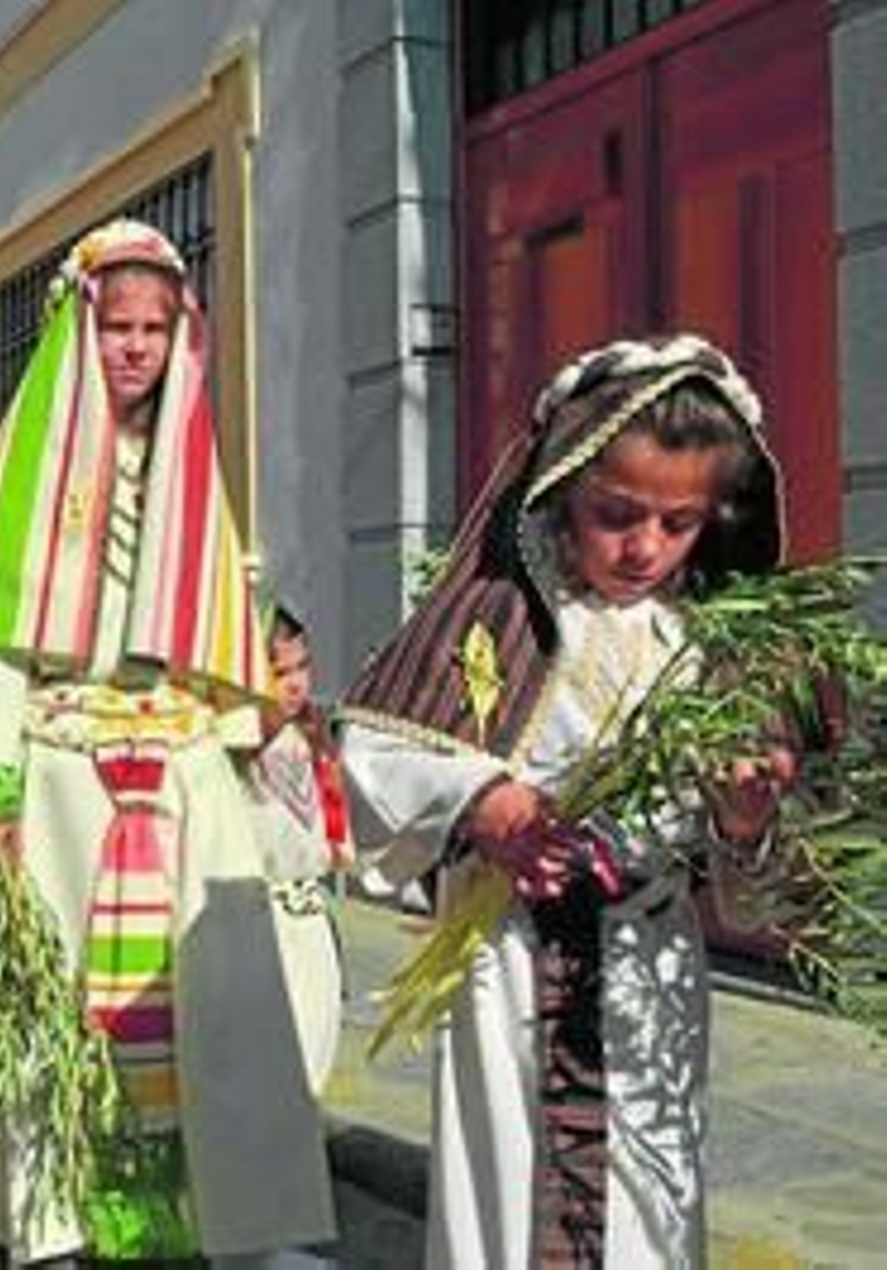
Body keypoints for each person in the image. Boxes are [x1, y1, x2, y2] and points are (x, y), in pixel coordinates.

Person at [0, 219, 335, 1263]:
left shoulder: (193, 470)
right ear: (81, 327)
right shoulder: (23, 477)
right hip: (65, 776)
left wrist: (251, 725)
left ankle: (244, 1215)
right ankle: (55, 1216)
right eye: (117, 326)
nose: (136, 347)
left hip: (185, 774)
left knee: (226, 999)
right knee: (61, 1003)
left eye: (156, 327)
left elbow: (218, 622)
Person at [339, 334, 791, 1267]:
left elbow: (749, 864)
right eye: (616, 514)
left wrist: (743, 817)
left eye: (679, 524)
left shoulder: (708, 646)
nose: (644, 547)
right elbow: (377, 748)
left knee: (648, 1199)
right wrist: (481, 798)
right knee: (509, 1184)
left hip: (648, 965)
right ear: (562, 487)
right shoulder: (502, 615)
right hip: (511, 955)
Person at [243, 605, 355, 1096]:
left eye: (302, 667)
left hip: (309, 920)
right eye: (279, 671)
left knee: (312, 1068)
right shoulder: (232, 745)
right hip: (256, 924)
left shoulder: (312, 735)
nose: (295, 683)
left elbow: (333, 835)